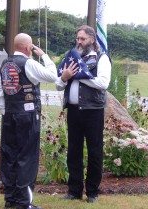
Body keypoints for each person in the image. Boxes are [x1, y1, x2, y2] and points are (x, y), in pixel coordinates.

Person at [0, 33, 57, 209]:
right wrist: (43, 55)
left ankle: (10, 200)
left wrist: (6, 113)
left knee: (10, 157)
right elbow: (52, 75)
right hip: (27, 117)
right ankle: (23, 202)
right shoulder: (29, 63)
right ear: (28, 47)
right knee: (27, 158)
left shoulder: (5, 64)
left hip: (9, 116)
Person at [56, 25, 112, 203]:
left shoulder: (101, 58)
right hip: (73, 111)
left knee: (94, 152)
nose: (79, 42)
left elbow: (103, 83)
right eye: (77, 38)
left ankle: (93, 193)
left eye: (83, 39)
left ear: (92, 40)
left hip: (92, 111)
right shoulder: (72, 57)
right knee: (73, 151)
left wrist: (81, 75)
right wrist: (65, 77)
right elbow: (59, 84)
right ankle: (74, 191)